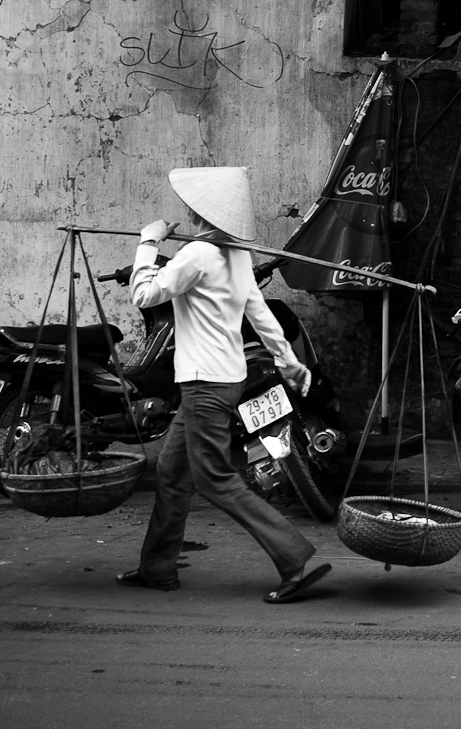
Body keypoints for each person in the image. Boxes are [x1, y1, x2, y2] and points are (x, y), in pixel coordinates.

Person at [116, 166, 332, 604]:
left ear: (198, 212)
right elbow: (262, 317)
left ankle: (295, 559)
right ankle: (157, 569)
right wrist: (289, 363)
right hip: (223, 380)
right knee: (172, 474)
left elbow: (144, 294)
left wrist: (148, 241)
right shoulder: (234, 254)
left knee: (215, 478)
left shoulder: (197, 254)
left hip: (204, 386)